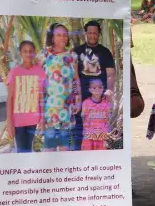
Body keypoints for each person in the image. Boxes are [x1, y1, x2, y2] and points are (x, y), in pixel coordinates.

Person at [73, 21, 116, 150]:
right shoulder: (77, 51)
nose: (92, 35)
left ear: (99, 34)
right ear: (86, 33)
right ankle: (78, 158)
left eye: (95, 33)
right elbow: (74, 77)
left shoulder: (105, 52)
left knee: (98, 133)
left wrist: (109, 90)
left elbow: (111, 75)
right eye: (90, 33)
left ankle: (97, 162)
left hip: (99, 100)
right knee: (79, 130)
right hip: (82, 98)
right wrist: (76, 95)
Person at [39, 23, 80, 152]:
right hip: (49, 109)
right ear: (52, 37)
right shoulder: (44, 55)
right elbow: (37, 81)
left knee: (64, 146)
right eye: (58, 35)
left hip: (66, 108)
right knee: (49, 146)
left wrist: (78, 100)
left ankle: (62, 171)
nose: (62, 38)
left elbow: (76, 80)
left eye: (64, 35)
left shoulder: (72, 56)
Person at [5, 40, 46, 153]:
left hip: (33, 120)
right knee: (22, 151)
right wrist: (9, 122)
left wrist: (42, 119)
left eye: (31, 51)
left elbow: (41, 97)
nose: (28, 54)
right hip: (18, 121)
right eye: (25, 51)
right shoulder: (15, 72)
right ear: (20, 53)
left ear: (34, 53)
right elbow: (10, 99)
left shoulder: (40, 72)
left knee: (29, 151)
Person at [80, 79, 111, 151]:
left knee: (101, 156)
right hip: (89, 135)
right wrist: (85, 130)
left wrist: (108, 131)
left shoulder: (106, 103)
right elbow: (83, 117)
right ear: (90, 90)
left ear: (103, 89)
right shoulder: (86, 103)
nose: (97, 89)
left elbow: (109, 118)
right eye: (94, 88)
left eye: (100, 87)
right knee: (87, 155)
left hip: (102, 135)